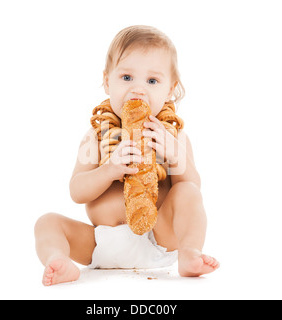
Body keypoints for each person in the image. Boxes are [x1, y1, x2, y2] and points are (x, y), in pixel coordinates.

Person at [34, 25, 220, 286]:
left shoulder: (173, 136)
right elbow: (77, 191)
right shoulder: (97, 135)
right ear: (107, 81)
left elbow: (191, 190)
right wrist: (109, 169)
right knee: (47, 223)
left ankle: (189, 254)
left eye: (152, 81)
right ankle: (59, 260)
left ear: (170, 89)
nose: (138, 90)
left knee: (188, 191)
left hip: (159, 238)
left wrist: (175, 157)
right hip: (101, 242)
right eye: (126, 78)